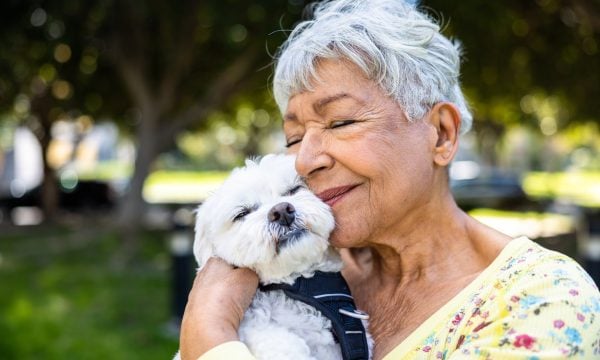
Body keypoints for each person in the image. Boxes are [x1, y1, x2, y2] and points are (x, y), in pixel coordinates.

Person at [179, 0, 600, 359]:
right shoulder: (303, 265)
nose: (305, 159)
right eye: (294, 137)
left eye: (340, 121)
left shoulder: (539, 302)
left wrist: (209, 334)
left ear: (441, 134)